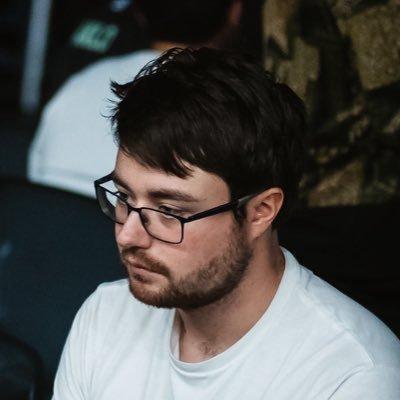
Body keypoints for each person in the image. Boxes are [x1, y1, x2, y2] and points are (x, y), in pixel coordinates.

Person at [52, 47, 400, 399]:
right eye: (125, 197)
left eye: (169, 211)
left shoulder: (352, 376)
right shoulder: (106, 314)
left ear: (260, 211)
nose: (128, 235)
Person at [28, 0, 243, 198]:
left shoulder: (81, 81)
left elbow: (35, 174)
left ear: (139, 14)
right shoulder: (230, 103)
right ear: (235, 12)